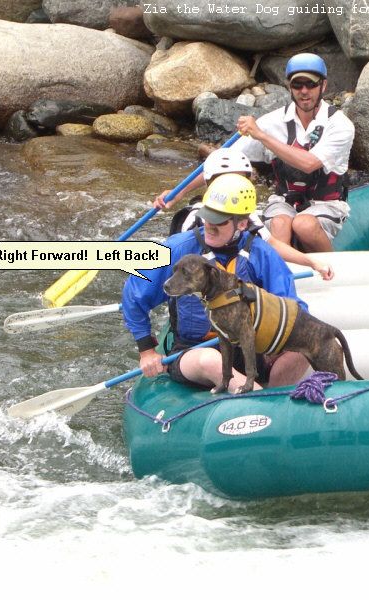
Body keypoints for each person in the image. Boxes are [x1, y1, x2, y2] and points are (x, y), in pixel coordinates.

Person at [123, 173, 310, 392]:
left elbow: (292, 307)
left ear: (241, 223)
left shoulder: (260, 253)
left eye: (219, 221)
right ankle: (259, 399)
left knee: (304, 345)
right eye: (207, 217)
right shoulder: (178, 248)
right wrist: (146, 350)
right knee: (211, 361)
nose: (210, 226)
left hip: (250, 348)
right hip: (194, 351)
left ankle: (275, 395)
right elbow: (134, 294)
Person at [234, 52, 355, 252]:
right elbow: (225, 160)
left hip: (327, 203)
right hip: (284, 201)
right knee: (280, 224)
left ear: (323, 86)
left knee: (303, 224)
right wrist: (180, 193)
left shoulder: (340, 125)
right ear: (290, 87)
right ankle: (282, 269)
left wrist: (262, 137)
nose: (304, 91)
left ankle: (331, 266)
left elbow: (309, 164)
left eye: (311, 84)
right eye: (297, 85)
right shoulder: (271, 122)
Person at [154, 147, 335, 280]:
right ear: (209, 182)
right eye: (224, 179)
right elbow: (178, 261)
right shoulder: (194, 218)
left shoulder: (246, 214)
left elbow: (272, 245)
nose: (232, 185)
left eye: (238, 179)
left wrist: (312, 262)